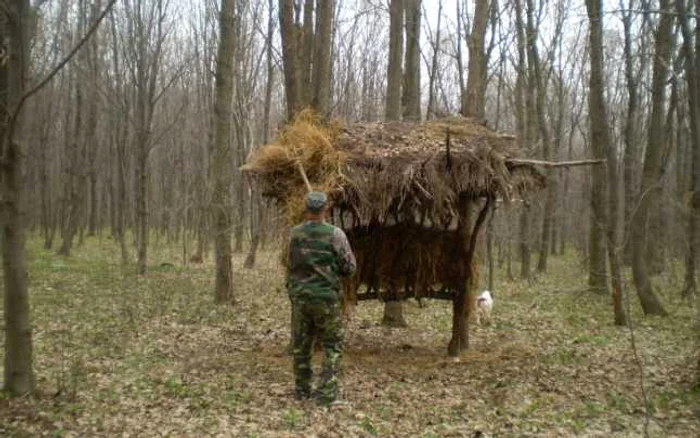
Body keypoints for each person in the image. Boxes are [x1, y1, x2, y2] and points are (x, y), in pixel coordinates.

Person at [287, 191, 357, 405]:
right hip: (326, 299)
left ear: (306, 209)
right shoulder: (335, 234)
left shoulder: (294, 234)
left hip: (300, 299)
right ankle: (326, 395)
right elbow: (350, 267)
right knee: (332, 345)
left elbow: (290, 263)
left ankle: (302, 391)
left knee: (301, 346)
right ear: (325, 209)